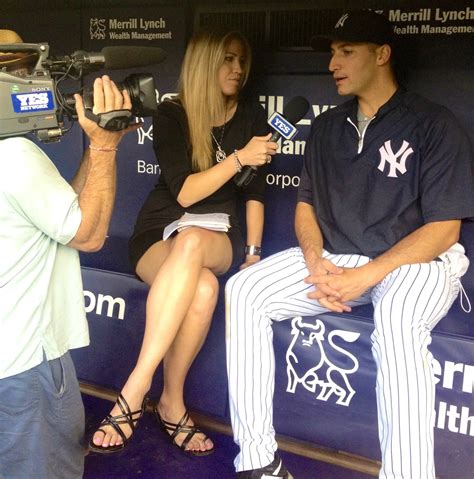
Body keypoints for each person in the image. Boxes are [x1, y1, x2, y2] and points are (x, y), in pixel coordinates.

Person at [225, 10, 474, 479]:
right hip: (339, 259)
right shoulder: (325, 128)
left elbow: (444, 230)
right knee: (244, 291)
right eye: (332, 53)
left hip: (418, 263)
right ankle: (258, 461)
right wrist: (316, 262)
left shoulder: (433, 125)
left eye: (347, 52)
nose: (333, 63)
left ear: (381, 55)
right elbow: (306, 209)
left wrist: (365, 275)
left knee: (398, 322)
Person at [89, 28, 278, 455]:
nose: (237, 68)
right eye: (228, 59)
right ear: (204, 63)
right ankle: (171, 401)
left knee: (193, 239)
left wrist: (252, 254)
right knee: (205, 288)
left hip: (218, 235)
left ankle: (135, 388)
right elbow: (186, 193)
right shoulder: (174, 114)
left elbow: (255, 193)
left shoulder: (252, 114)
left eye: (242, 61)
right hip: (158, 231)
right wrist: (238, 158)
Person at [0, 30, 137, 479]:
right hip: (25, 368)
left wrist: (96, 150)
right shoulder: (15, 156)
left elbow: (62, 217)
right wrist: (105, 146)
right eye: (19, 70)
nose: (33, 80)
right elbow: (89, 233)